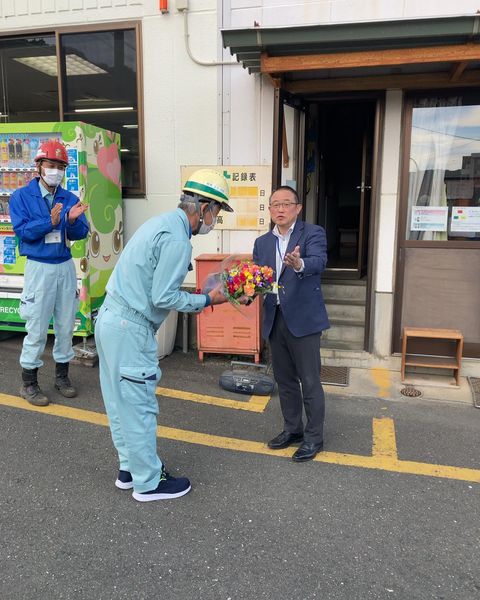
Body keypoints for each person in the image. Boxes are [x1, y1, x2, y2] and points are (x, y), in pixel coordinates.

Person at [94, 169, 237, 502]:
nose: (214, 220)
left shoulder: (161, 223)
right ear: (203, 207)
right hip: (131, 329)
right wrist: (208, 300)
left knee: (119, 401)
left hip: (111, 320)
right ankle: (148, 482)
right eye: (216, 212)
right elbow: (163, 297)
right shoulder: (177, 240)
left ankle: (129, 469)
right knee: (139, 405)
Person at [9, 139, 89, 407]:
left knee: (66, 326)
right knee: (37, 327)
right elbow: (23, 232)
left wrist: (72, 221)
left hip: (64, 266)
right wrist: (51, 221)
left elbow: (81, 232)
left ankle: (62, 377)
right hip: (39, 267)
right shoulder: (21, 197)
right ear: (39, 166)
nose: (56, 170)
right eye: (51, 165)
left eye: (61, 166)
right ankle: (29, 383)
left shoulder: (70, 198)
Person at [253, 185, 329, 462]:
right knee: (284, 380)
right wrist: (245, 290)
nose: (281, 209)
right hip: (275, 317)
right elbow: (258, 278)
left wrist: (299, 264)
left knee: (309, 381)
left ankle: (314, 438)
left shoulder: (312, 233)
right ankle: (292, 429)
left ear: (298, 208)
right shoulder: (262, 242)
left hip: (304, 320)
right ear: (270, 209)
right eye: (275, 204)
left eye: (286, 204)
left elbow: (319, 261)